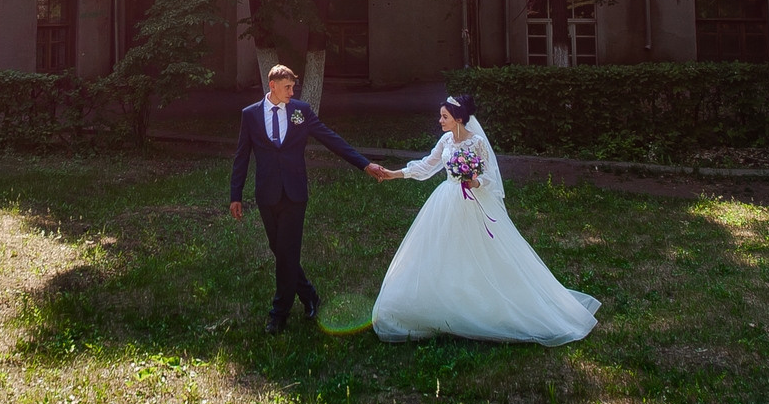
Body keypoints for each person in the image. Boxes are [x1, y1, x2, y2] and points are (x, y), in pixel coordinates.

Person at [371, 92, 600, 344]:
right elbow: (427, 165)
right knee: (441, 250)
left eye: (444, 116)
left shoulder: (477, 142)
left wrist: (475, 181)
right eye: (440, 116)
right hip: (446, 199)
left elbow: (490, 176)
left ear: (459, 118)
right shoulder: (446, 140)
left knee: (481, 252)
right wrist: (393, 174)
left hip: (474, 201)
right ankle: (443, 301)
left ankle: (482, 302)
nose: (440, 121)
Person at [229, 64, 392, 333]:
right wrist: (236, 195)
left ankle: (278, 313)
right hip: (267, 194)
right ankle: (309, 296)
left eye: (294, 87)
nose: (292, 92)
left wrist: (365, 165)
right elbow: (241, 156)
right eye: (287, 87)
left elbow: (331, 139)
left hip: (294, 194)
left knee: (287, 251)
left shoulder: (301, 112)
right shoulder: (251, 115)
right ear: (272, 86)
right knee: (281, 251)